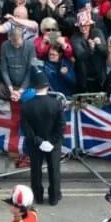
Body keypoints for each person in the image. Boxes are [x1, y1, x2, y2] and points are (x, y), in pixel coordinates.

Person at [21, 70, 65, 206]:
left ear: (34, 87)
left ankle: (38, 196)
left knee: (36, 170)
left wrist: (39, 141)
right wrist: (51, 141)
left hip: (35, 144)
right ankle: (54, 197)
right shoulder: (56, 103)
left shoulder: (27, 105)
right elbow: (61, 125)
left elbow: (26, 128)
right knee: (54, 170)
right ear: (47, 86)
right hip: (54, 143)